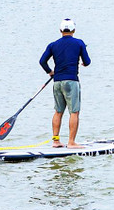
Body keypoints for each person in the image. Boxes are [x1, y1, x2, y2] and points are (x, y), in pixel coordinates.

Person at [39, 18, 91, 147]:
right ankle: (71, 142)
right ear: (73, 30)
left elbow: (42, 61)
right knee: (74, 112)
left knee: (58, 111)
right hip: (71, 81)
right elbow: (87, 61)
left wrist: (50, 72)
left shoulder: (53, 45)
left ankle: (56, 141)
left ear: (60, 30)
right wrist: (83, 63)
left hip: (57, 82)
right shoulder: (79, 43)